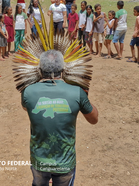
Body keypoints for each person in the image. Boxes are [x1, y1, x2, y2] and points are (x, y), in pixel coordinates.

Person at [21, 49, 98, 186]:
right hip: (65, 162)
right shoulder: (77, 92)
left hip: (39, 160)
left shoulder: (27, 91)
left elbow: (26, 107)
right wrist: (85, 97)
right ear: (63, 69)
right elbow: (94, 119)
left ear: (39, 69)